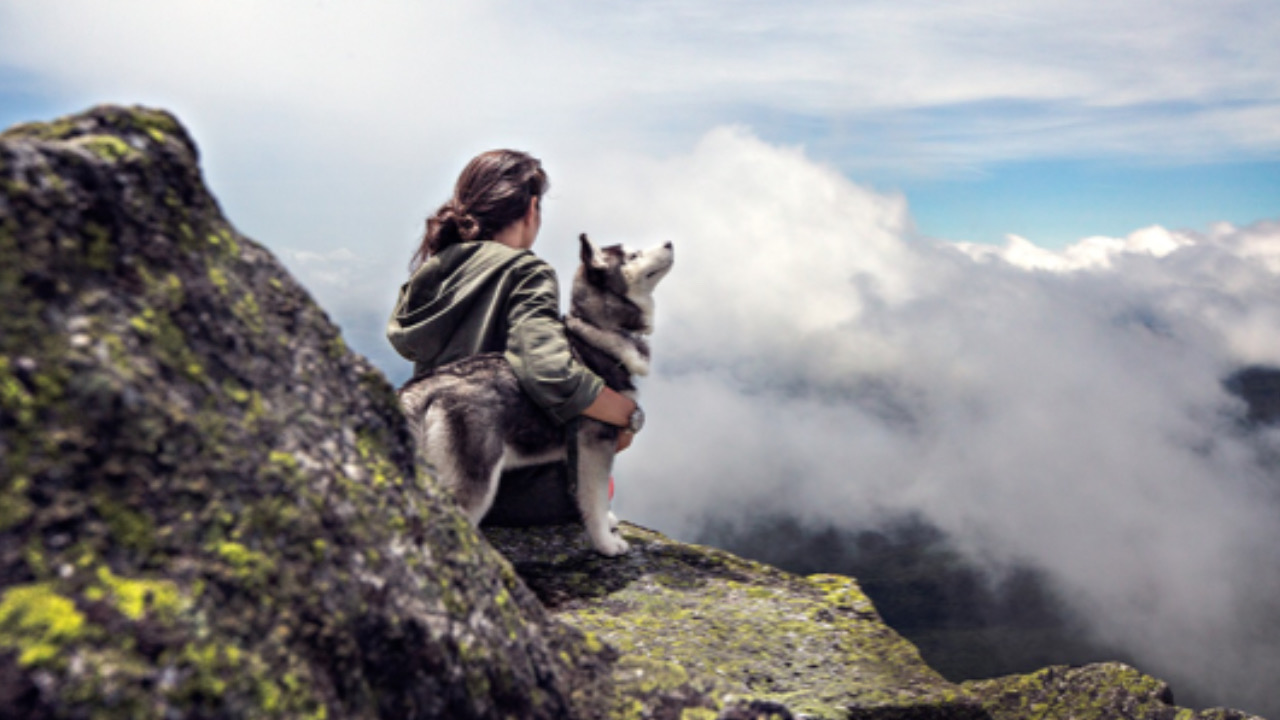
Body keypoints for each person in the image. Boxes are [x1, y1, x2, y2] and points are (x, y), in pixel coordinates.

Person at [386, 150, 638, 521]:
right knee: (599, 477)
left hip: (438, 479)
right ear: (532, 207)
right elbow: (548, 369)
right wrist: (625, 413)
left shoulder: (434, 270)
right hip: (509, 492)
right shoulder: (526, 271)